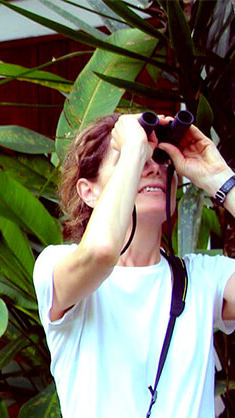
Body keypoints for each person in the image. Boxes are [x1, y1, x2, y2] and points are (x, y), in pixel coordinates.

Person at [37, 113, 235, 417]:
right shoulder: (57, 266)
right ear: (88, 192)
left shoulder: (204, 280)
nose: (152, 167)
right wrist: (133, 147)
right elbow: (102, 252)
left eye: (158, 157)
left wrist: (219, 177)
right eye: (133, 157)